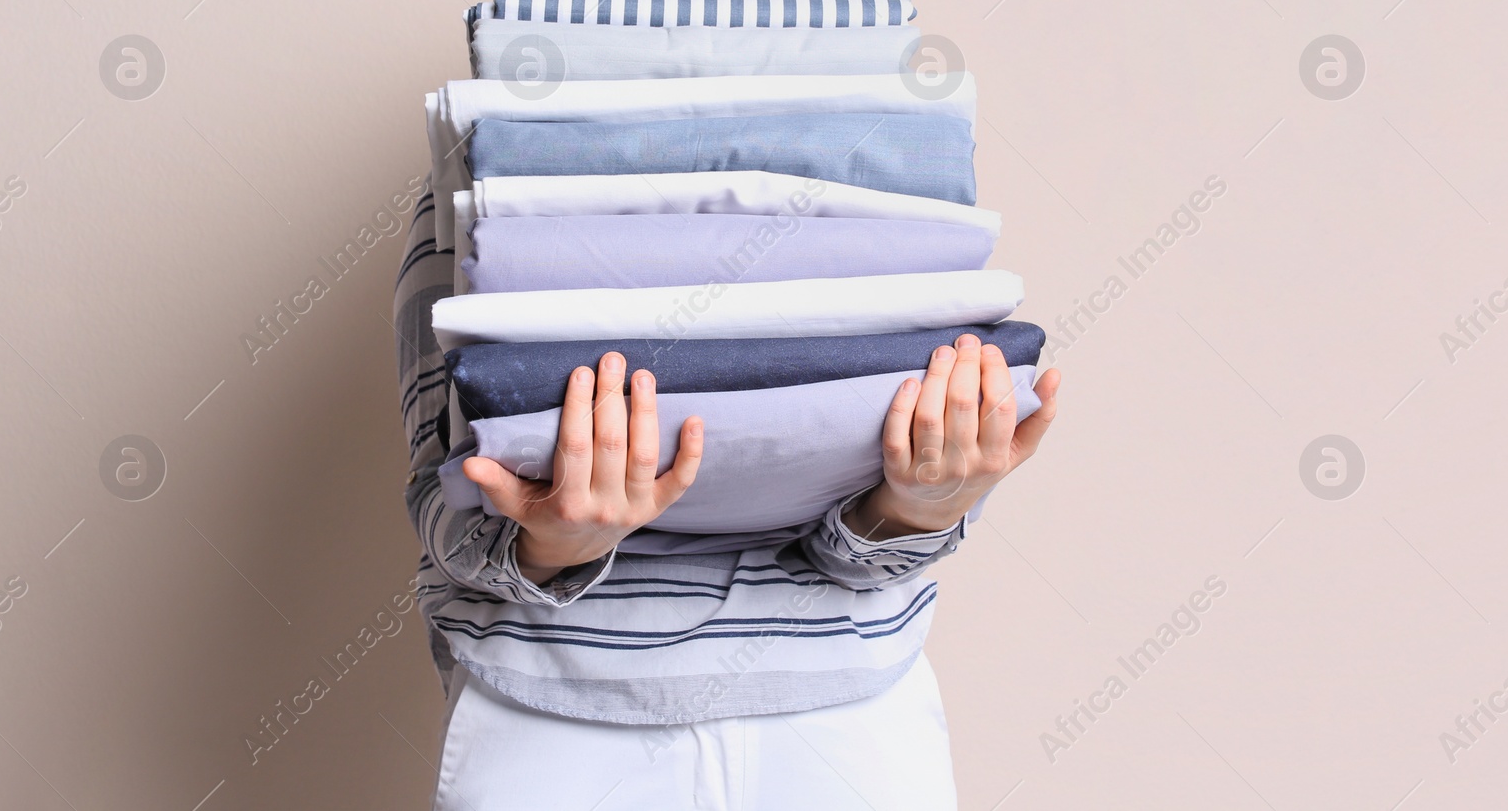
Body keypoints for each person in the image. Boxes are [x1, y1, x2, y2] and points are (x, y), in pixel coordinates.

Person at [393, 188, 1061, 809]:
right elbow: (444, 494)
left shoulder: (894, 168)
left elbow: (883, 531)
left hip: (846, 713)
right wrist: (555, 545)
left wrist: (921, 505)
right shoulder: (496, 195)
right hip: (555, 718)